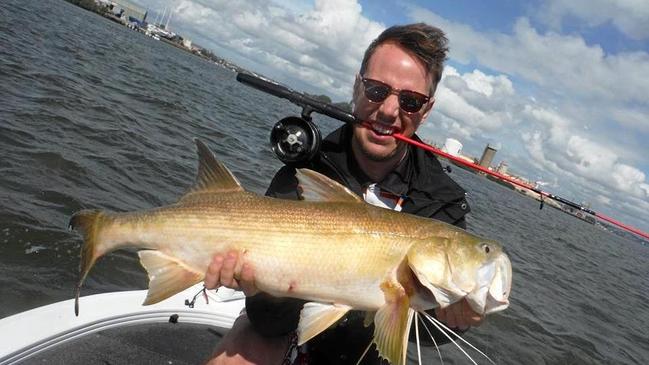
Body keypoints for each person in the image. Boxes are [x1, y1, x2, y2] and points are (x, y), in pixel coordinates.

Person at [204, 23, 482, 365]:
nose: (390, 111)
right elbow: (267, 321)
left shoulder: (443, 202)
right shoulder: (308, 164)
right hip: (283, 326)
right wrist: (264, 289)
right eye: (378, 90)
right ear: (357, 85)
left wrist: (449, 318)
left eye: (410, 101)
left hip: (366, 348)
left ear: (426, 110)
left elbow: (420, 331)